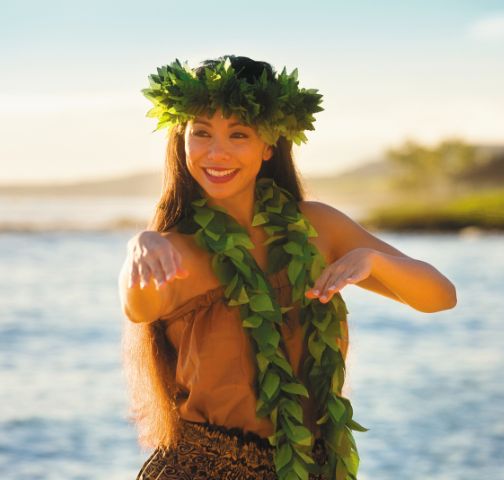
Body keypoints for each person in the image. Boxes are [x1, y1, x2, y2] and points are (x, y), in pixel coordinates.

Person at [118, 54, 457, 480]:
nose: (216, 152)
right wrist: (140, 247)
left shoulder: (319, 226)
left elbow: (441, 297)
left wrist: (374, 260)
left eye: (238, 134)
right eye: (201, 133)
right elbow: (140, 308)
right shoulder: (175, 250)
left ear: (268, 145)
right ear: (181, 139)